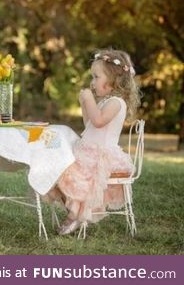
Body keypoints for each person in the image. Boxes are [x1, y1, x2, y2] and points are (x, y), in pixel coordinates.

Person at [49, 48, 141, 235]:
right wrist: (85, 104)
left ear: (113, 80)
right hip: (90, 150)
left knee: (73, 172)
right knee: (58, 166)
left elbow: (99, 121)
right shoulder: (106, 101)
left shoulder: (116, 103)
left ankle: (74, 216)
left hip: (100, 156)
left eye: (96, 77)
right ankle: (73, 212)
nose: (92, 83)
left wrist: (90, 99)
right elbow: (90, 124)